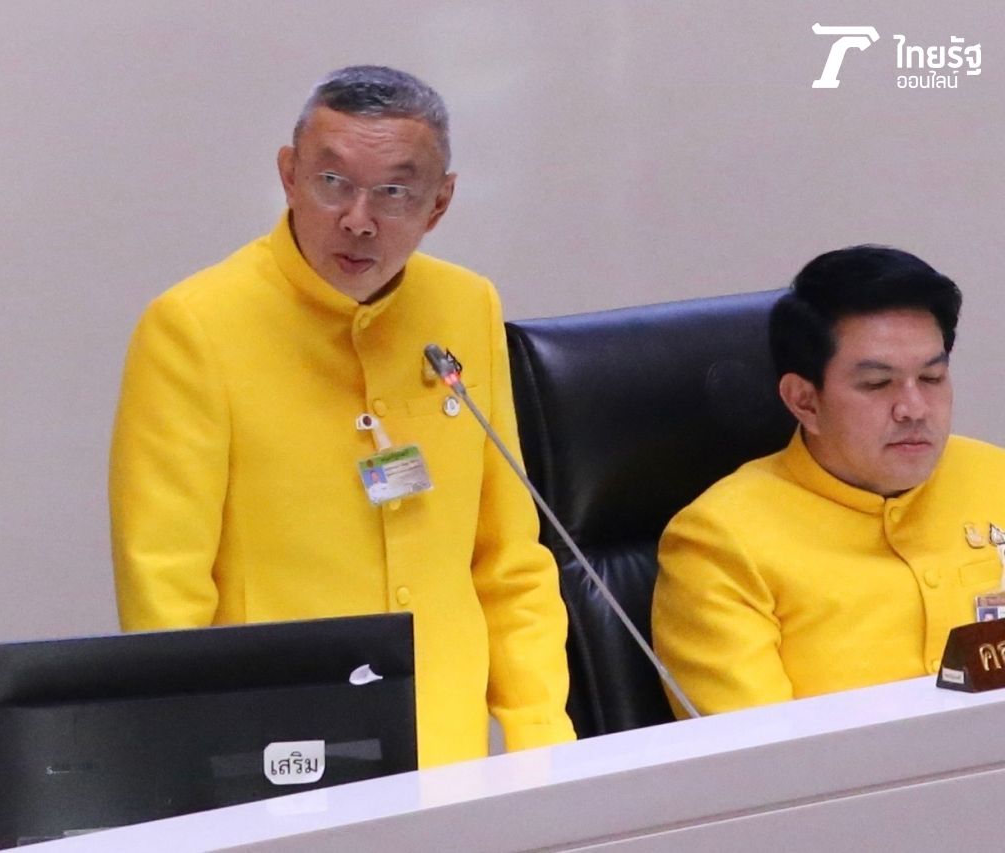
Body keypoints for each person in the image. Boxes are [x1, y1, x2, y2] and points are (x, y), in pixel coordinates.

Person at [109, 65, 574, 766]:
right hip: (275, 748)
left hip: (445, 748)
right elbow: (164, 591)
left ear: (439, 204)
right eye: (332, 183)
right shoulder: (194, 327)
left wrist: (544, 744)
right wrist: (202, 773)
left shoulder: (465, 306)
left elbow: (507, 557)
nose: (358, 219)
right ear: (288, 176)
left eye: (394, 192)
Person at [652, 245, 1005, 717]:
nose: (914, 408)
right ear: (804, 401)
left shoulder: (994, 475)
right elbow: (759, 752)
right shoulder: (720, 542)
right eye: (877, 384)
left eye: (932, 377)